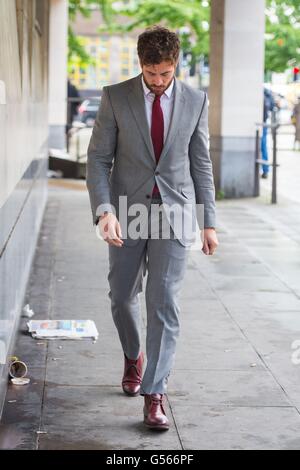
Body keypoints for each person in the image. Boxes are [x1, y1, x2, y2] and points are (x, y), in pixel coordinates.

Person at [86, 26, 218, 431]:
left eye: (164, 73)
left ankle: (154, 392)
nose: (158, 82)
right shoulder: (116, 96)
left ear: (175, 64)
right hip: (126, 211)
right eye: (150, 72)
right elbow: (97, 159)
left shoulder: (195, 100)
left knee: (163, 303)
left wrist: (208, 222)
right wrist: (104, 211)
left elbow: (201, 163)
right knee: (122, 295)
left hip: (174, 215)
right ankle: (133, 356)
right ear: (140, 63)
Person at [261, 88, 275, 179]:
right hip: (264, 124)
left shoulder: (262, 95)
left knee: (262, 146)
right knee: (263, 147)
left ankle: (265, 170)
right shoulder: (267, 94)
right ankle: (265, 170)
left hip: (262, 125)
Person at [66, 79, 80, 151]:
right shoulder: (72, 87)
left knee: (67, 127)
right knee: (69, 127)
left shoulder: (63, 87)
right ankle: (67, 141)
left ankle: (67, 143)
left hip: (65, 112)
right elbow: (78, 100)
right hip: (71, 111)